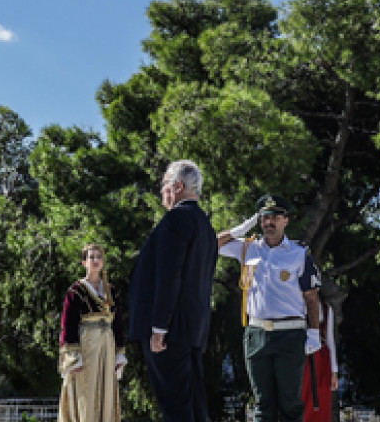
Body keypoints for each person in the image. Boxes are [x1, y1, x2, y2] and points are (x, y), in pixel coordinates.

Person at [215, 196, 322, 422]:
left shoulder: (299, 253)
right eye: (264, 218)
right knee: (263, 403)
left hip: (290, 334)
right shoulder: (247, 248)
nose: (269, 222)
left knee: (290, 403)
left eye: (275, 217)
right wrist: (239, 230)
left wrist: (313, 332)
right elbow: (209, 245)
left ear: (286, 221)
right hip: (256, 334)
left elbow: (311, 297)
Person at [128, 161, 218, 422]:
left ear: (178, 187)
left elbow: (169, 277)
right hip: (191, 330)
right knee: (194, 405)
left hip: (169, 331)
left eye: (164, 185)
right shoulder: (205, 226)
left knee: (175, 407)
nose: (161, 192)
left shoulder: (177, 219)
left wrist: (159, 328)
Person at [57, 244, 128, 422]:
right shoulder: (76, 291)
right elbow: (68, 324)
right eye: (91, 257)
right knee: (86, 393)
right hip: (87, 347)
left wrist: (120, 354)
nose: (95, 260)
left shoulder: (110, 290)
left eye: (99, 257)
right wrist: (74, 357)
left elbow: (117, 324)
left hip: (107, 347)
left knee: (106, 394)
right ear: (84, 262)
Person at [300, 292, 339, 422]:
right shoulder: (294, 305)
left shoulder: (326, 308)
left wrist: (334, 371)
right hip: (300, 358)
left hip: (321, 361)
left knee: (320, 403)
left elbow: (330, 339)